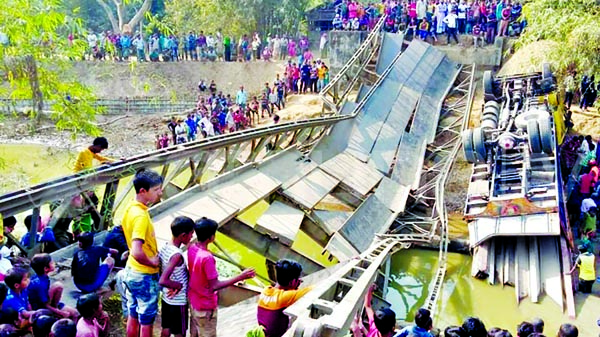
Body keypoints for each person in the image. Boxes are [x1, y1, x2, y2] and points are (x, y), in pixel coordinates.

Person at [188, 217, 255, 337]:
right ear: (211, 237)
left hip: (194, 301)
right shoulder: (207, 258)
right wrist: (240, 277)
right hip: (206, 306)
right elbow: (215, 286)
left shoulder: (192, 248)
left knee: (195, 332)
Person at [122, 169, 163, 337]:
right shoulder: (140, 216)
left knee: (133, 312)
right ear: (142, 191)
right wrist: (153, 262)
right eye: (156, 189)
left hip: (131, 270)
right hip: (144, 274)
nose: (160, 193)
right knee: (146, 319)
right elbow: (138, 251)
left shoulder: (131, 207)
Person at [158, 216, 194, 337]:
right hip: (178, 301)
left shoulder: (165, 247)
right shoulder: (176, 255)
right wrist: (178, 285)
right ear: (183, 235)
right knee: (180, 332)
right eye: (191, 234)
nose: (191, 237)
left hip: (167, 298)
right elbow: (163, 280)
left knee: (166, 327)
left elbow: (161, 270)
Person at [257, 260, 313, 337]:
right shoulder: (285, 297)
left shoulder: (266, 290)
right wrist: (295, 286)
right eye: (298, 279)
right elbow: (315, 288)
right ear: (292, 281)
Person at [28, 254, 78, 319]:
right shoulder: (40, 284)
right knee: (73, 315)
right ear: (46, 269)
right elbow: (44, 305)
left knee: (75, 313)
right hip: (41, 308)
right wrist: (60, 312)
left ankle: (55, 307)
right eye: (51, 262)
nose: (54, 263)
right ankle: (55, 313)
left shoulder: (41, 277)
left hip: (46, 302)